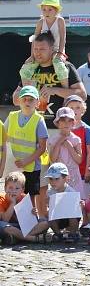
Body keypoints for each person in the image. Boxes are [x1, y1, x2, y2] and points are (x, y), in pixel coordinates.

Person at [14, 32, 87, 129]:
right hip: (33, 126)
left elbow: (82, 95)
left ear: (52, 49)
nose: (38, 53)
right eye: (35, 49)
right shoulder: (30, 69)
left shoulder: (65, 67)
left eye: (42, 49)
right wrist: (28, 92)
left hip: (59, 127)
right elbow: (15, 100)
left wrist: (54, 90)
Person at [1, 86, 49, 218]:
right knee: (10, 195)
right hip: (13, 167)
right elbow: (3, 139)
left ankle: (30, 227)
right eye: (24, 99)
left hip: (31, 167)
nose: (27, 102)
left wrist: (26, 161)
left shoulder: (39, 120)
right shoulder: (11, 116)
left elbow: (42, 148)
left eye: (31, 99)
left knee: (29, 198)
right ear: (19, 101)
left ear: (37, 103)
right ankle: (12, 221)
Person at [20, 0, 68, 82]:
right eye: (44, 10)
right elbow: (35, 39)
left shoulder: (60, 21)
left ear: (56, 11)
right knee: (26, 67)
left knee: (59, 66)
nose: (47, 12)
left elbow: (62, 38)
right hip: (43, 50)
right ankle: (24, 88)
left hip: (56, 50)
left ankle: (65, 88)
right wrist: (32, 55)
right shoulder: (40, 22)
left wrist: (60, 53)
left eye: (50, 10)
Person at [0, 172, 50, 245]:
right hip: (10, 226)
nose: (13, 191)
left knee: (45, 223)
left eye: (17, 188)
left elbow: (30, 221)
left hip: (23, 228)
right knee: (2, 225)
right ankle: (32, 238)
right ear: (5, 188)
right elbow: (5, 219)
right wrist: (12, 203)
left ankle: (18, 238)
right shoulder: (1, 199)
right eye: (10, 188)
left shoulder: (25, 198)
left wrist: (33, 213)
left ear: (22, 189)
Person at [64, 95, 90, 200]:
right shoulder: (63, 129)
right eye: (71, 108)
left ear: (83, 110)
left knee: (84, 200)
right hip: (66, 172)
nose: (74, 110)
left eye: (77, 107)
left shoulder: (87, 129)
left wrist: (88, 171)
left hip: (82, 172)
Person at [47, 107, 83, 193]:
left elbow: (79, 160)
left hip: (73, 175)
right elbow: (52, 159)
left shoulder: (75, 139)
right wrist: (59, 143)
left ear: (73, 123)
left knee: (73, 199)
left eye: (69, 120)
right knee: (60, 199)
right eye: (63, 120)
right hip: (59, 177)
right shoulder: (53, 139)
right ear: (58, 123)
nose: (66, 123)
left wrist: (70, 146)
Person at [44, 162, 80, 243]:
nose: (53, 182)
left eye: (56, 179)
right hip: (58, 216)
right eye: (50, 179)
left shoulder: (71, 191)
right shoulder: (49, 192)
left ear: (65, 178)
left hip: (70, 216)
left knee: (73, 214)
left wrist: (79, 205)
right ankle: (58, 234)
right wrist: (48, 203)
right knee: (48, 214)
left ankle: (73, 233)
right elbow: (49, 207)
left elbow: (77, 208)